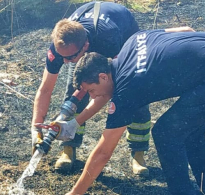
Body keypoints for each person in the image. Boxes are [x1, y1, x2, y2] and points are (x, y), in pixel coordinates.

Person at [53, 29, 205, 195]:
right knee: (190, 133)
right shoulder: (132, 42)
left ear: (103, 77)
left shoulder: (126, 89)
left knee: (167, 133)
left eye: (92, 90)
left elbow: (104, 152)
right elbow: (185, 29)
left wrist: (75, 194)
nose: (93, 97)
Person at [32, 1, 151, 175]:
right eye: (61, 57)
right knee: (72, 90)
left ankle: (138, 153)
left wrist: (74, 123)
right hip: (88, 37)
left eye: (70, 57)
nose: (64, 62)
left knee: (134, 93)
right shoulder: (62, 47)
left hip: (124, 34)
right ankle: (68, 149)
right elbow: (45, 90)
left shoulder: (109, 39)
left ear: (85, 46)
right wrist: (35, 129)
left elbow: (107, 91)